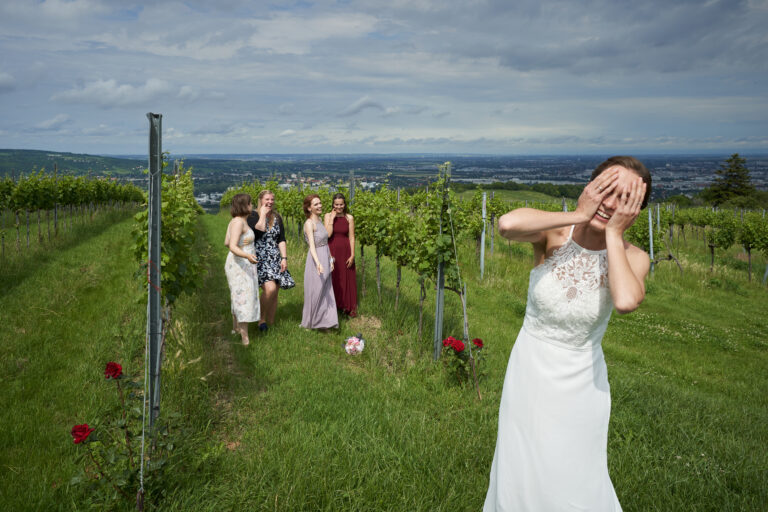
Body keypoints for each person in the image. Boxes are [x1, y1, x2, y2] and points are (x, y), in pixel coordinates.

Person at [483, 156, 652, 511]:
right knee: (523, 470)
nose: (609, 203)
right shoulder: (553, 234)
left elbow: (624, 300)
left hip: (582, 385)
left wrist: (613, 233)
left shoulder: (634, 257)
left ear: (634, 210)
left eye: (623, 198)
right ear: (589, 187)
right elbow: (506, 224)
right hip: (530, 374)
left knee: (573, 478)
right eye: (605, 189)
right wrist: (579, 215)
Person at [247, 189, 294, 332]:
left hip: (274, 258)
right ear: (260, 200)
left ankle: (271, 323)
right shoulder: (252, 216)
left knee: (275, 291)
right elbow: (255, 234)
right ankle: (261, 319)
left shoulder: (277, 217)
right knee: (270, 288)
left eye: (272, 199)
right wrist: (263, 215)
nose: (270, 202)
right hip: (259, 258)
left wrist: (284, 258)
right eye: (267, 199)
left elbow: (281, 239)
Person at [224, 193, 260, 346]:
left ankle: (236, 329)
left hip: (241, 262)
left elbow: (226, 242)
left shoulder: (235, 221)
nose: (252, 206)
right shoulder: (239, 222)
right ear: (245, 205)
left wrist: (242, 246)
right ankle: (245, 339)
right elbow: (231, 246)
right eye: (250, 203)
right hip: (241, 264)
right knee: (243, 296)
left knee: (237, 294)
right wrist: (246, 254)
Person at [301, 194, 338, 330]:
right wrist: (318, 263)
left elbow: (325, 242)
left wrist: (330, 259)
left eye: (320, 203)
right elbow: (312, 245)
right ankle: (311, 323)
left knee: (326, 290)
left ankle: (325, 322)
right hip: (315, 259)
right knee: (316, 291)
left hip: (325, 257)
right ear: (309, 208)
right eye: (316, 204)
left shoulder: (320, 220)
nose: (320, 206)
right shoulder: (309, 223)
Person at [324, 193, 358, 317]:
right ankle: (333, 306)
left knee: (346, 278)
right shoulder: (327, 216)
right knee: (333, 277)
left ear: (345, 204)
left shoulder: (350, 218)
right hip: (332, 249)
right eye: (336, 204)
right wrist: (332, 219)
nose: (339, 207)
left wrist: (352, 254)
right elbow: (327, 234)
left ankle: (346, 306)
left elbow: (352, 237)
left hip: (345, 250)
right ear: (333, 204)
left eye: (341, 204)